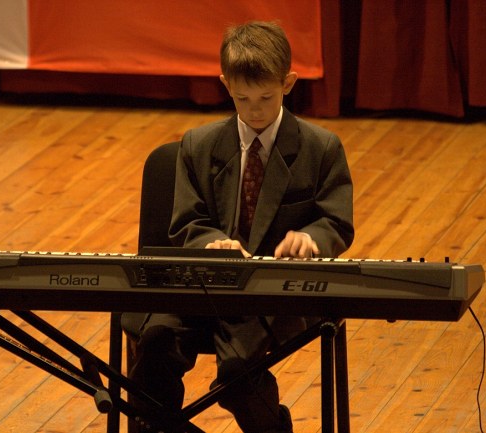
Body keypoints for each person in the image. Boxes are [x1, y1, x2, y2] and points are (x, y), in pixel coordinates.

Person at [129, 21, 354, 432]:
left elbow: (336, 220)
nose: (254, 110)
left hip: (271, 298)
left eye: (266, 97)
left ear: (288, 83)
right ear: (225, 84)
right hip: (200, 289)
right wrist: (212, 243)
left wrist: (310, 238)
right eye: (242, 98)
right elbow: (187, 221)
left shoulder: (320, 148)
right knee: (155, 345)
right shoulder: (198, 145)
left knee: (238, 376)